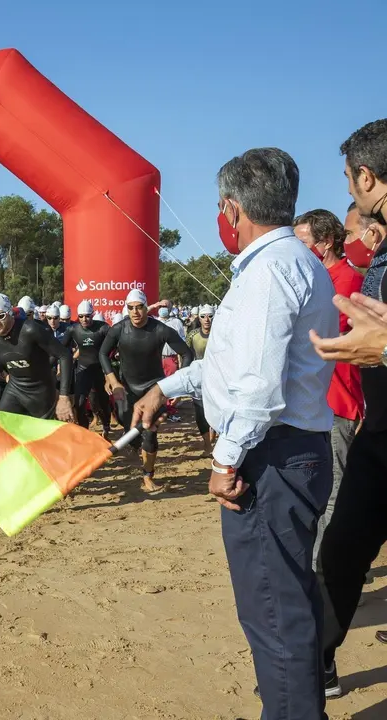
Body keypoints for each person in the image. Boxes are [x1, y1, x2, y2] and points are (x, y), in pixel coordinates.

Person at [132, 147, 336, 717]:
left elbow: (256, 386)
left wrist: (224, 462)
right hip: (285, 447)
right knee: (281, 604)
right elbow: (228, 362)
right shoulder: (283, 262)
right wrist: (165, 389)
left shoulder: (271, 270)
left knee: (274, 610)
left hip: (271, 455)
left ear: (232, 208)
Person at [310, 119, 387, 692]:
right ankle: (315, 669)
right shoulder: (378, 256)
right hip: (379, 437)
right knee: (338, 552)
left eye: (349, 179)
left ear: (367, 176)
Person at [293, 208, 365, 570]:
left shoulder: (345, 280)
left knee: (334, 489)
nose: (296, 248)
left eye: (303, 241)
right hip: (315, 400)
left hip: (339, 401)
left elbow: (319, 333)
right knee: (316, 488)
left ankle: (325, 567)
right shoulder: (319, 277)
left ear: (324, 243)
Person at [99, 289, 193, 492]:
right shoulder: (119, 329)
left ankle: (147, 475)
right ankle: (136, 449)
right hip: (127, 389)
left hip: (153, 388)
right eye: (131, 308)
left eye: (139, 307)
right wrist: (113, 380)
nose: (135, 312)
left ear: (145, 307)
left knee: (149, 432)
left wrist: (174, 386)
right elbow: (103, 354)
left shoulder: (160, 330)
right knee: (129, 428)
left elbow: (187, 354)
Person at [0, 293, 75, 422]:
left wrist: (63, 397)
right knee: (4, 430)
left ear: (10, 313)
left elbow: (64, 355)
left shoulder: (30, 330)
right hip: (15, 389)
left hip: (41, 391)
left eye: (0, 316)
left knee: (38, 437)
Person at [62, 300, 111, 437]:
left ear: (93, 314)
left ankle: (106, 426)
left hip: (100, 370)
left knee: (102, 402)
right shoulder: (73, 329)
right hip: (83, 369)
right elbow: (59, 349)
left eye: (88, 316)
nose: (84, 319)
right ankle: (84, 432)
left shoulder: (103, 328)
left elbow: (116, 345)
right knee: (79, 402)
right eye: (81, 316)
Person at [185, 305, 216, 456]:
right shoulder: (193, 335)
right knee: (200, 412)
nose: (207, 320)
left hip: (218, 378)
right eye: (203, 316)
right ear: (199, 318)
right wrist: (185, 372)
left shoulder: (220, 334)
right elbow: (187, 355)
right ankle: (207, 444)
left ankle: (215, 435)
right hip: (199, 378)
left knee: (217, 410)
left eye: (210, 316)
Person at [158, 306, 187, 421]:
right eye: (161, 306)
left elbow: (182, 340)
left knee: (171, 385)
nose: (163, 308)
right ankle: (163, 409)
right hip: (158, 358)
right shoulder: (155, 321)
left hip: (171, 358)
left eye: (166, 306)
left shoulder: (176, 322)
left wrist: (180, 359)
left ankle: (170, 410)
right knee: (160, 385)